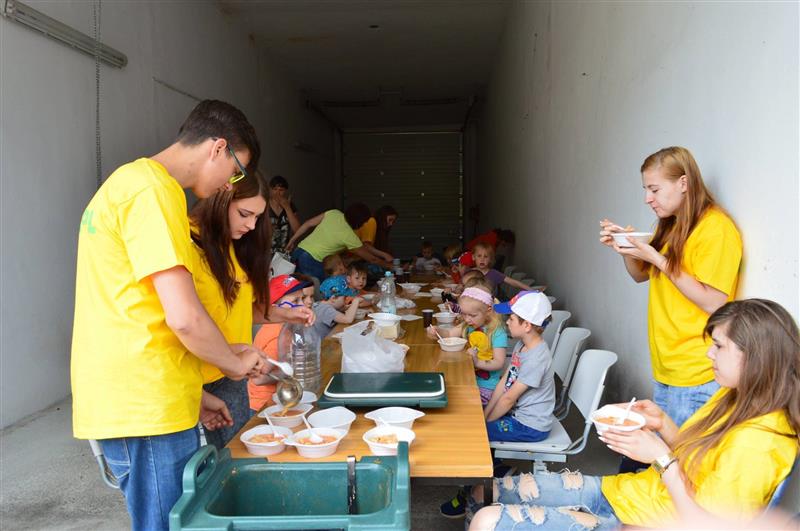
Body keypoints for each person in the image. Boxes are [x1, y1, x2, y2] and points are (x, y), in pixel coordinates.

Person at [71, 100, 269, 530]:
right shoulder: (152, 191)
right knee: (166, 524)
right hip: (143, 404)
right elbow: (183, 315)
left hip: (147, 396)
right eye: (236, 171)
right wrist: (234, 364)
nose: (230, 184)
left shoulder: (133, 185)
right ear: (218, 148)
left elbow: (141, 311)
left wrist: (192, 395)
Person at [467, 298, 799, 531]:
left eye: (720, 346)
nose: (709, 354)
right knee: (484, 491)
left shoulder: (760, 443)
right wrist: (662, 423)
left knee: (486, 521)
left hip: (641, 520)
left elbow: (706, 525)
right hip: (627, 494)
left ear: (756, 356)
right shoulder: (734, 396)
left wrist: (660, 458)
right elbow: (697, 460)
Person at [599, 147, 742, 428]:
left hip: (697, 371)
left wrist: (658, 259)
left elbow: (714, 302)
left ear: (684, 183)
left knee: (680, 454)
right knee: (664, 452)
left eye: (654, 189)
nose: (647, 199)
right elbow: (640, 275)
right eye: (645, 190)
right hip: (666, 367)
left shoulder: (716, 228)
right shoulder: (671, 226)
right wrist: (626, 248)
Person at [485, 291, 555, 443]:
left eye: (511, 319)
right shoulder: (522, 345)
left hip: (530, 426)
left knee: (479, 433)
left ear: (527, 325)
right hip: (516, 414)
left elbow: (509, 398)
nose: (507, 322)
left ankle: (495, 460)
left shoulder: (536, 359)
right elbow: (504, 381)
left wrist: (486, 423)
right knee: (478, 420)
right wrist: (485, 415)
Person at [428, 285, 508, 405]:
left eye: (472, 315)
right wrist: (437, 331)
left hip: (485, 386)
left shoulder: (498, 332)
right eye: (464, 314)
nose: (467, 319)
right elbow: (449, 334)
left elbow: (498, 362)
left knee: (455, 402)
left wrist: (477, 362)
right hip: (467, 376)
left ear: (488, 310)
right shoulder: (468, 325)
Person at [248, 275, 313, 413]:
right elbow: (259, 379)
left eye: (302, 298)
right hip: (265, 404)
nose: (302, 305)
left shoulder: (287, 327)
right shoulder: (277, 335)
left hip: (281, 397)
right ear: (275, 308)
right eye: (295, 300)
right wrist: (292, 370)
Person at [287, 205, 392, 280]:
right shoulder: (349, 236)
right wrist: (389, 266)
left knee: (298, 289)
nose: (364, 225)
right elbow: (372, 259)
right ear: (359, 221)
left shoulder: (334, 213)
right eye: (364, 222)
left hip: (299, 251)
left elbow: (308, 224)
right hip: (312, 260)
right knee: (316, 293)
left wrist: (292, 240)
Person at [267, 175, 300, 255]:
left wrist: (287, 208)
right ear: (270, 190)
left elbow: (297, 230)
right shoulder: (264, 205)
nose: (277, 193)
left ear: (285, 191)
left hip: (284, 251)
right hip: (265, 250)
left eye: (281, 190)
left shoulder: (290, 206)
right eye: (275, 189)